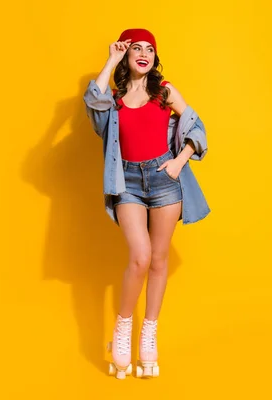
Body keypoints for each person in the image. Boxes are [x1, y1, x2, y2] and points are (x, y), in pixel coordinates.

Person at [83, 28, 210, 379]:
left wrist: (178, 162)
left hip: (163, 178)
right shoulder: (115, 98)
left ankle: (149, 329)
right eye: (135, 48)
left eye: (149, 49)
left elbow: (197, 129)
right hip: (127, 182)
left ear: (155, 57)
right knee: (138, 257)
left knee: (157, 258)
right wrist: (111, 57)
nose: (143, 53)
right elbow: (92, 101)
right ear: (126, 55)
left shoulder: (164, 91)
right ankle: (123, 327)